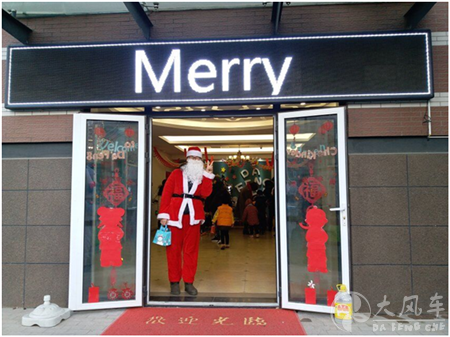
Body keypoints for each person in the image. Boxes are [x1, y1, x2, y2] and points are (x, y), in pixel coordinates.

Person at [157, 146, 215, 296]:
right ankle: (174, 282)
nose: (195, 161)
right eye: (192, 158)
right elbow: (166, 193)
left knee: (191, 251)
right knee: (173, 251)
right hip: (174, 216)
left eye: (197, 158)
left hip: (193, 218)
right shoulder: (176, 173)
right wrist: (164, 214)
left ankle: (189, 282)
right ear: (187, 159)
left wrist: (208, 175)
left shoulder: (202, 176)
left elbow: (206, 193)